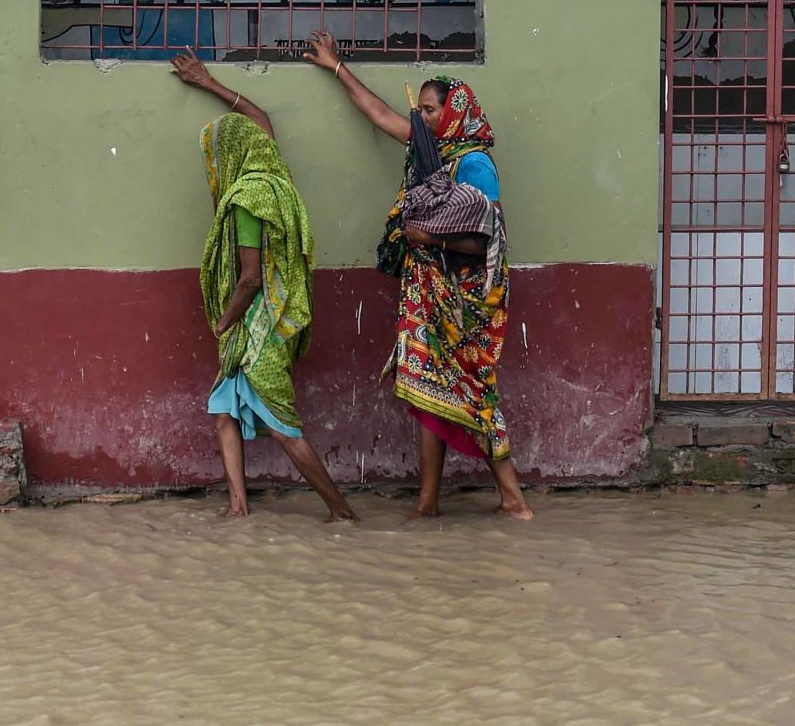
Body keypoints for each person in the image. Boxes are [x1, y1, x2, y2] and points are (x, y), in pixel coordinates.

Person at [304, 29, 534, 521]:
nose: (421, 117)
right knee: (428, 389)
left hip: (465, 302)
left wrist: (431, 240)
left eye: (429, 110)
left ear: (453, 113)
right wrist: (336, 66)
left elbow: (483, 240)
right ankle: (427, 504)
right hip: (426, 292)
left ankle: (513, 498)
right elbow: (380, 113)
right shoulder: (430, 154)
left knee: (474, 390)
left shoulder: (473, 165)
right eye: (423, 110)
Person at [170, 48, 358, 523]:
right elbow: (260, 116)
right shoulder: (271, 172)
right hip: (264, 319)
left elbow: (250, 279)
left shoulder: (245, 202)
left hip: (257, 326)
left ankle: (340, 510)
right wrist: (208, 82)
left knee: (283, 426)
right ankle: (237, 506)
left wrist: (223, 321)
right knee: (222, 412)